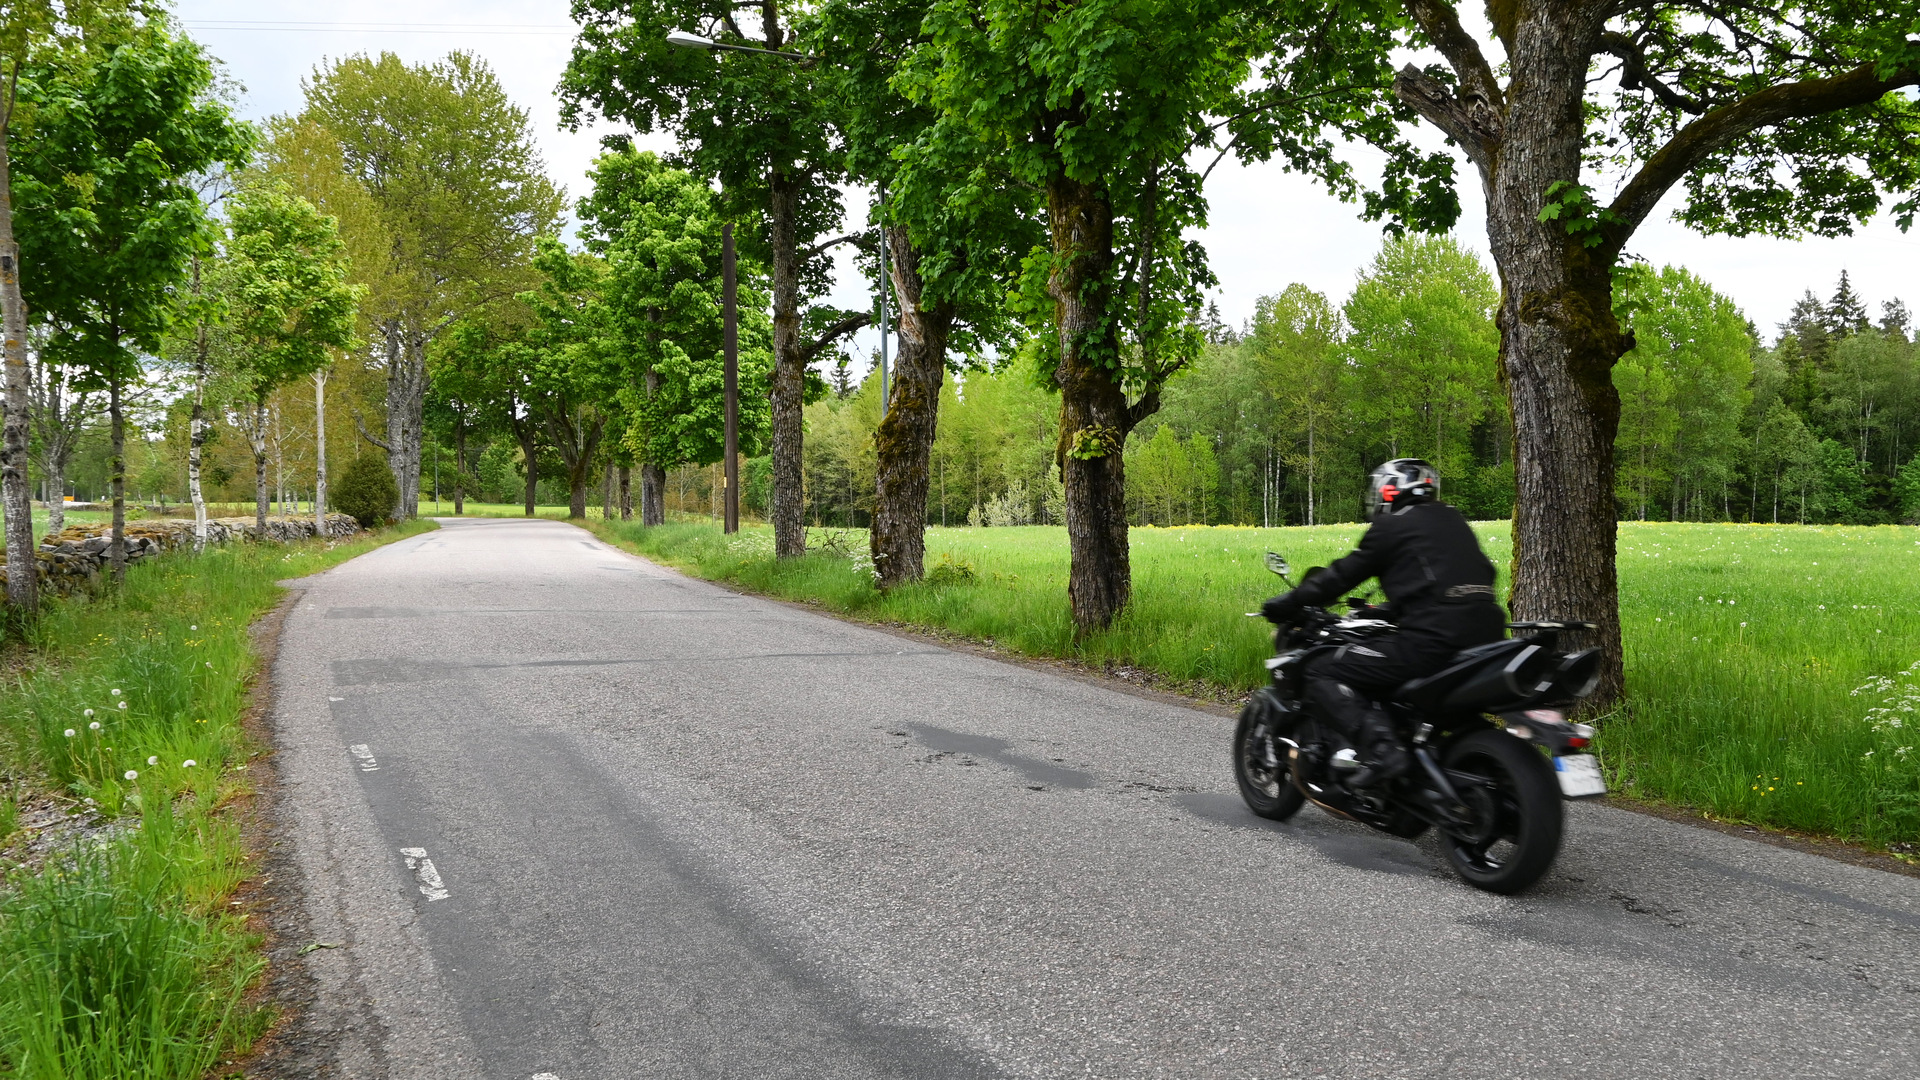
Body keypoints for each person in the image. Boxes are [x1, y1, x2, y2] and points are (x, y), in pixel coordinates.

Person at [1261, 459, 1506, 787]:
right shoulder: (1453, 520)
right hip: (1487, 637)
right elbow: (1442, 586)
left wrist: (1289, 602)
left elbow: (1340, 576)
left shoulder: (1393, 526)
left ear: (1389, 491)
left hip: (1430, 642)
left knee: (1319, 668)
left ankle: (1384, 750)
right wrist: (1386, 612)